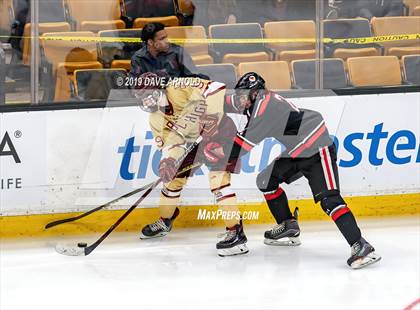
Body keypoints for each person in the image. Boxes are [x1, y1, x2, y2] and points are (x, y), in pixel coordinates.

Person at [203, 72, 381, 269]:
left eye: (244, 95)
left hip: (317, 149)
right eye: (241, 95)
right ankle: (288, 225)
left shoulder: (263, 109)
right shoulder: (253, 100)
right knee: (266, 181)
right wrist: (198, 100)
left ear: (256, 94)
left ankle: (361, 246)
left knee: (329, 200)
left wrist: (214, 152)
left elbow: (239, 148)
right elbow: (225, 101)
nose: (240, 99)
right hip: (297, 151)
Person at [132, 72, 248, 257]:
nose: (145, 102)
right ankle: (165, 221)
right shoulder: (155, 119)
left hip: (219, 133)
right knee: (172, 181)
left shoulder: (179, 84)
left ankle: (236, 233)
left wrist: (211, 116)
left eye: (147, 95)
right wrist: (168, 161)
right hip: (191, 142)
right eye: (141, 98)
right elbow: (172, 143)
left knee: (218, 182)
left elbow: (216, 86)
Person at [128, 22, 208, 81]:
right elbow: (134, 84)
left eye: (166, 37)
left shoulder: (178, 51)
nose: (167, 41)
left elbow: (193, 76)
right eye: (162, 39)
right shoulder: (138, 58)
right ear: (150, 42)